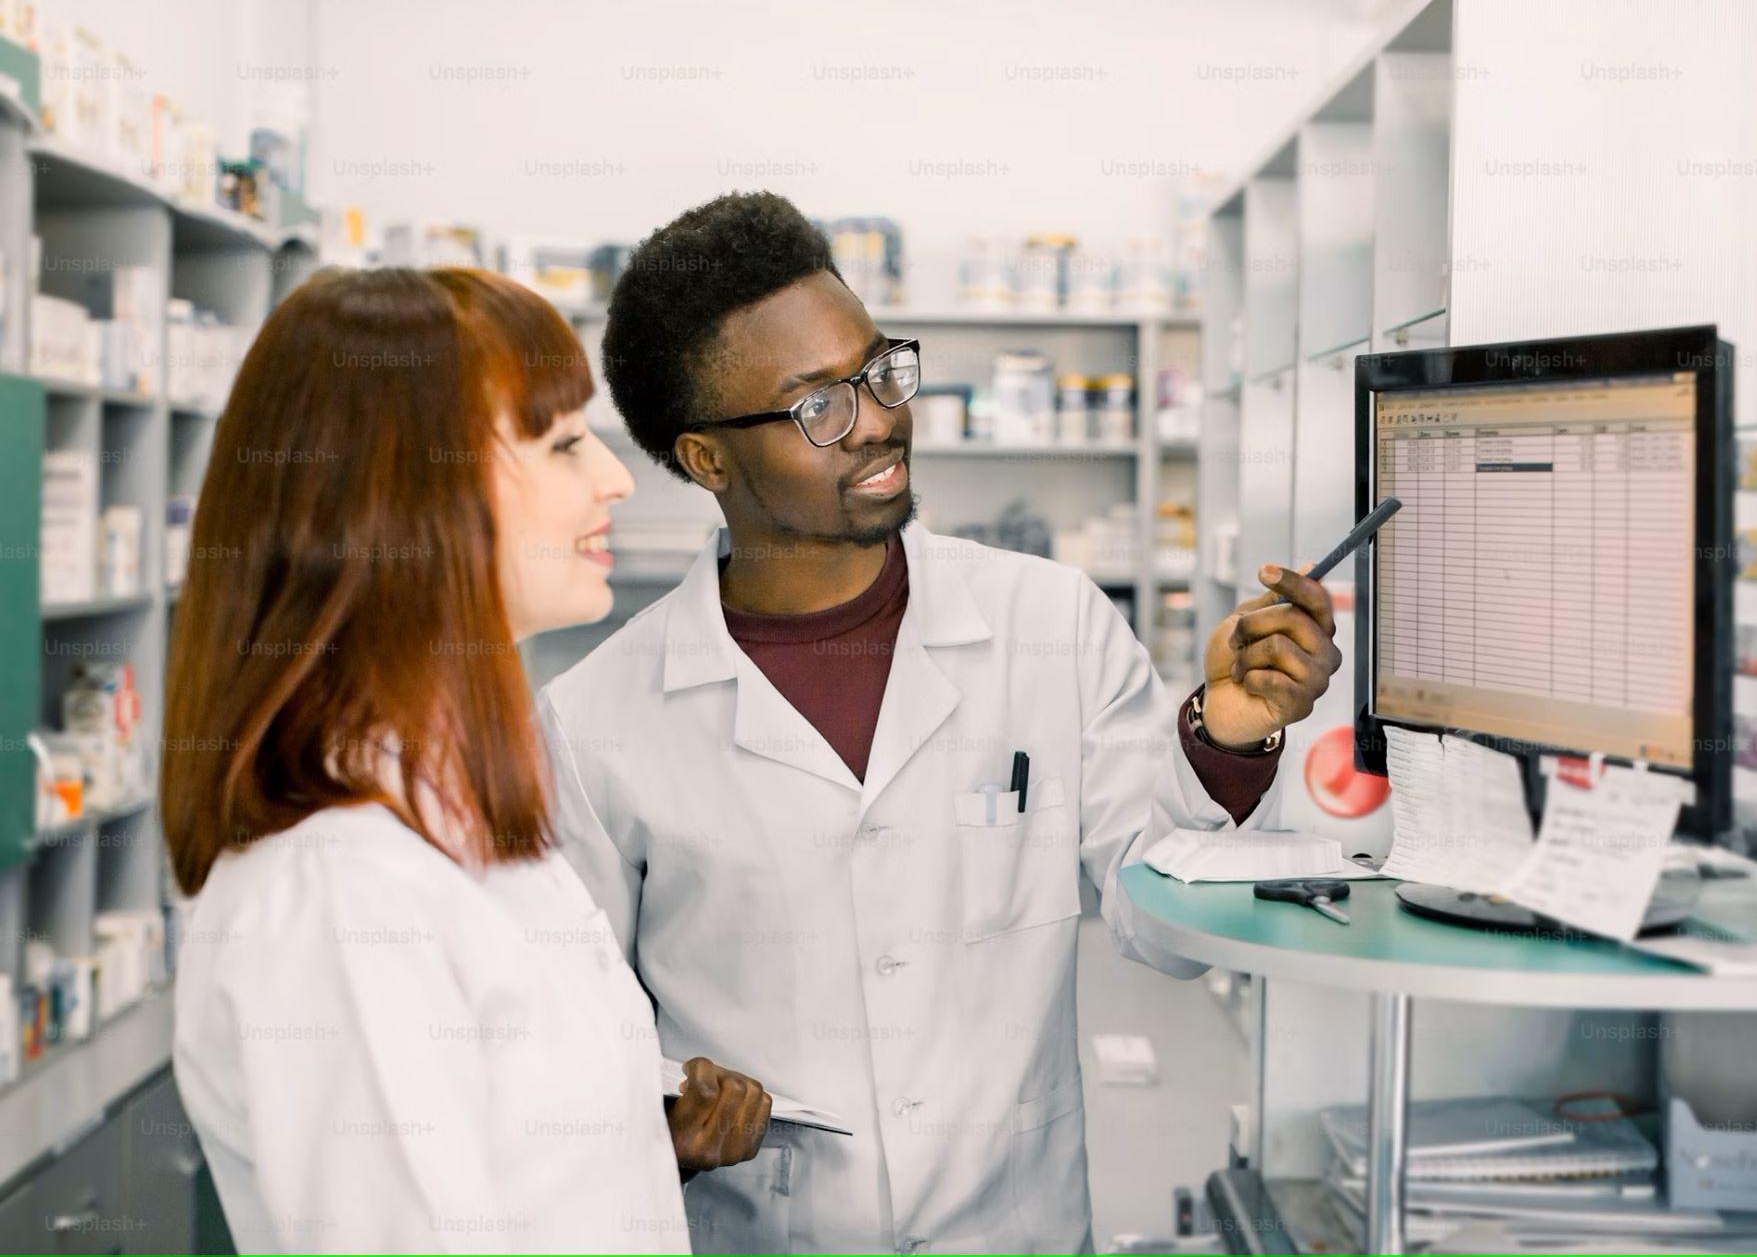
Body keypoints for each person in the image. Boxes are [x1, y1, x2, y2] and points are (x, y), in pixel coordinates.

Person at [541, 192, 1339, 1254]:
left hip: (1013, 1223)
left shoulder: (1047, 621)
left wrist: (1226, 736)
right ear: (706, 459)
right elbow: (577, 1031)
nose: (876, 417)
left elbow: (1160, 927)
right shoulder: (597, 720)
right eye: (817, 404)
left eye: (877, 369)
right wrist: (665, 1111)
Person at [163, 268, 768, 1254]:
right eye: (566, 442)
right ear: (409, 492)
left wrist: (635, 1133)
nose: (616, 477)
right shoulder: (343, 892)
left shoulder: (456, 821)